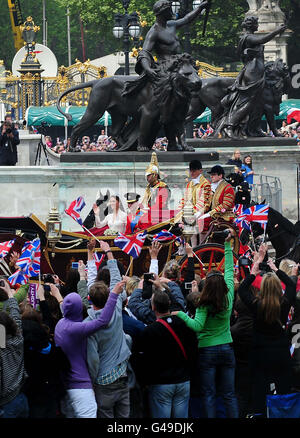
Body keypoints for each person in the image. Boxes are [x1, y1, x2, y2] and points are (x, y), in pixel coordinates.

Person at [173, 232, 239, 418]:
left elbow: (197, 326)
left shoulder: (202, 302)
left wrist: (181, 315)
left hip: (207, 350)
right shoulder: (229, 297)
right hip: (226, 347)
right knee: (229, 394)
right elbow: (229, 271)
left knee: (209, 394)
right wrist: (227, 247)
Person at [237, 244, 296, 417]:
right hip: (280, 352)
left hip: (259, 352)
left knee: (259, 390)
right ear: (278, 289)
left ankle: (260, 414)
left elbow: (242, 289)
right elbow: (291, 287)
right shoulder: (284, 305)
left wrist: (255, 268)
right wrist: (276, 269)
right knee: (284, 389)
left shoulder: (256, 305)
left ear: (263, 289)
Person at [54, 279, 125, 418]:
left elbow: (65, 308)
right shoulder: (76, 328)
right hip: (81, 388)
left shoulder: (61, 324)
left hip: (67, 386)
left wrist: (58, 296)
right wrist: (114, 295)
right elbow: (103, 321)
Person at [217, 16, 287, 138]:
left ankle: (254, 129)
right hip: (253, 73)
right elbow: (263, 39)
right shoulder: (248, 37)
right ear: (251, 25)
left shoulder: (249, 37)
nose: (258, 25)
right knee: (249, 101)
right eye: (256, 23)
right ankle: (230, 125)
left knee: (258, 102)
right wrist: (277, 31)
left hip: (257, 72)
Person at [135, 287, 198, 418]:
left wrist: (144, 381)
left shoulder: (149, 331)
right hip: (183, 380)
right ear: (169, 304)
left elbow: (145, 360)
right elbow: (193, 348)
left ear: (153, 307)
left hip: (161, 383)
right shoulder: (184, 323)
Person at [85, 241, 131, 418]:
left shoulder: (88, 323)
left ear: (90, 299)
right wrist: (109, 252)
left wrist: (93, 379)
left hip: (103, 380)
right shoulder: (117, 306)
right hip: (122, 374)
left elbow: (93, 358)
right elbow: (116, 280)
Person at [0, 279, 29, 418]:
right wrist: (10, 296)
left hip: (6, 404)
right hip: (20, 397)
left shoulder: (1, 348)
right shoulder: (18, 338)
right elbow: (16, 317)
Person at [175, 160, 212, 240]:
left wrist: (191, 213)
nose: (191, 173)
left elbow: (204, 203)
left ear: (200, 171)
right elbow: (185, 199)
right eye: (191, 171)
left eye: (194, 171)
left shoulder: (206, 184)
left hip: (202, 212)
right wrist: (179, 210)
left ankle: (198, 249)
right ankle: (187, 247)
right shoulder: (190, 184)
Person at [139, 152, 170, 228]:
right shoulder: (149, 187)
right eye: (147, 176)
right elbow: (145, 201)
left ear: (155, 175)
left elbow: (160, 205)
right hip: (150, 213)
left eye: (149, 175)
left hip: (160, 215)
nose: (147, 178)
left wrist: (147, 210)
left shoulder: (162, 187)